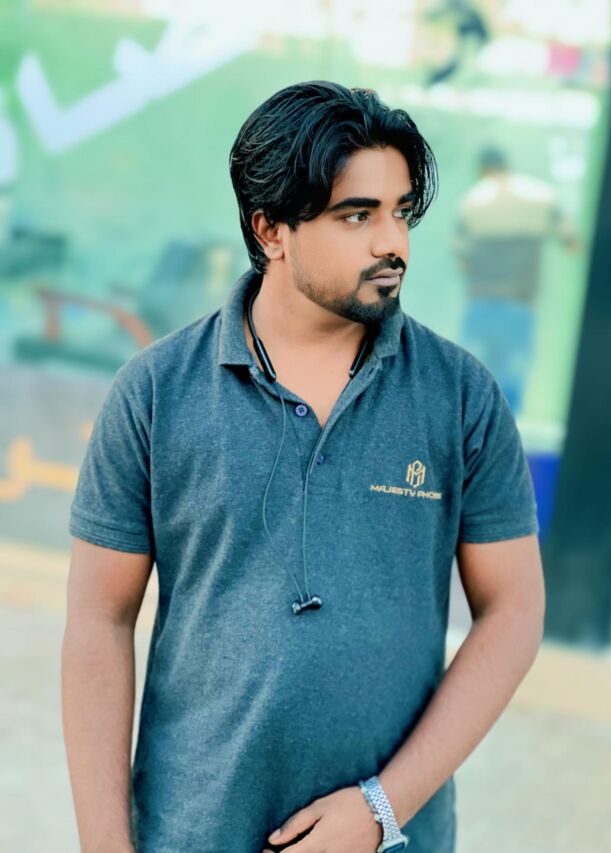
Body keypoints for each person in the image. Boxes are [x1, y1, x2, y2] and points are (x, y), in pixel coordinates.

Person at [62, 82, 545, 853]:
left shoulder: (460, 396)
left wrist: (384, 807)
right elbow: (99, 621)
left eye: (401, 211)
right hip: (191, 832)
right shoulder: (155, 393)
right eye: (358, 215)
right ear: (271, 230)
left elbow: (514, 612)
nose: (393, 243)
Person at [454, 146, 581, 414]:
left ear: (482, 170)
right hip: (519, 301)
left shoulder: (473, 200)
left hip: (482, 301)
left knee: (472, 375)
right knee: (513, 375)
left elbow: (462, 258)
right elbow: (570, 239)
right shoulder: (539, 196)